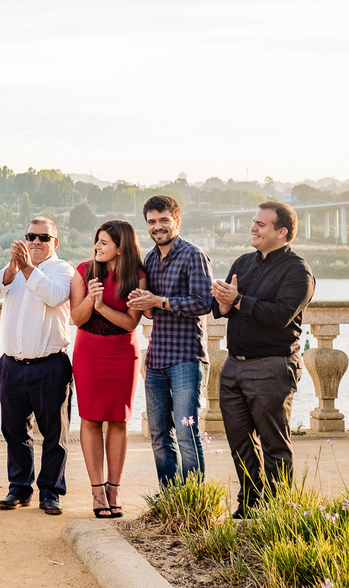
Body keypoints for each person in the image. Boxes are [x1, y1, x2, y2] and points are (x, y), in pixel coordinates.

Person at [211, 201, 314, 519]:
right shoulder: (243, 262)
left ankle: (280, 513)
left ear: (282, 232)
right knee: (240, 443)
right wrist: (224, 301)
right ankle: (250, 505)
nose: (253, 228)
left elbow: (281, 315)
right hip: (233, 366)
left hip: (272, 365)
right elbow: (221, 309)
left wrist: (238, 300)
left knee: (274, 445)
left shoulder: (298, 271)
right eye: (253, 222)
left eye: (261, 224)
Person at [128, 195, 215, 487]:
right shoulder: (150, 259)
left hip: (187, 359)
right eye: (152, 222)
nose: (157, 227)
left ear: (177, 221)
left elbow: (204, 303)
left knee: (187, 434)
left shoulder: (194, 255)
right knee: (159, 436)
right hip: (155, 360)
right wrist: (143, 303)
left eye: (164, 220)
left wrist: (160, 301)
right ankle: (171, 500)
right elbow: (151, 312)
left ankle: (193, 503)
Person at [0, 216, 74, 515]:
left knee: (55, 433)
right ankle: (19, 488)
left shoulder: (63, 270)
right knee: (13, 430)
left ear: (55, 242)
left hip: (50, 364)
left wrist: (28, 268)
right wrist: (14, 269)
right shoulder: (13, 269)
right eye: (32, 236)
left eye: (44, 237)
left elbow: (55, 296)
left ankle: (51, 491)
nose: (37, 242)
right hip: (12, 364)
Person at [69, 220, 146, 519]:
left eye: (104, 242)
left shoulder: (138, 277)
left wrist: (103, 308)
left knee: (118, 421)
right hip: (89, 351)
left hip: (122, 353)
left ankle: (114, 489)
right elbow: (76, 318)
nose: (97, 247)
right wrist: (91, 299)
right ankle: (97, 491)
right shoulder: (83, 271)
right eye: (96, 241)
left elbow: (131, 322)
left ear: (121, 246)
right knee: (89, 419)